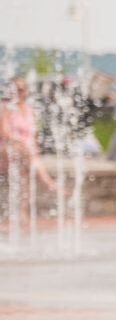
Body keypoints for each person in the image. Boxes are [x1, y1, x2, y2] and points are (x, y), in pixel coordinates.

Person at [1, 76, 59, 224]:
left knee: (24, 170)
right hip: (6, 149)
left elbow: (33, 135)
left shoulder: (29, 110)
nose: (18, 93)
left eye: (21, 90)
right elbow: (4, 132)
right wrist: (23, 143)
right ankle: (49, 184)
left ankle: (21, 211)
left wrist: (33, 149)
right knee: (24, 153)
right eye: (15, 89)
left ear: (25, 91)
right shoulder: (5, 108)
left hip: (25, 153)